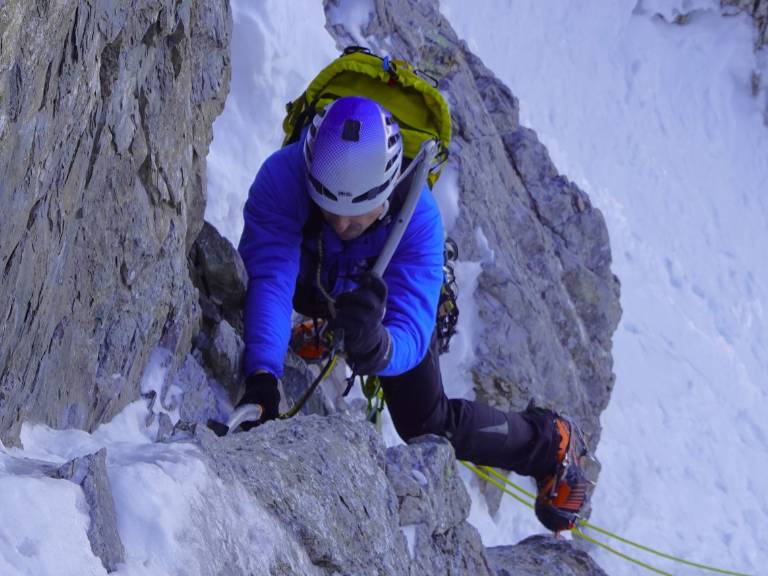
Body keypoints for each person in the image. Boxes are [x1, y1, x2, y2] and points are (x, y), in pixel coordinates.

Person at [237, 96, 587, 532]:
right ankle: (333, 329)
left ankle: (546, 442)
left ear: (384, 195)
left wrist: (376, 347)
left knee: (425, 421)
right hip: (322, 278)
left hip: (383, 309)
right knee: (258, 287)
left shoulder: (418, 221)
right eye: (329, 210)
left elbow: (412, 332)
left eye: (353, 217)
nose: (339, 224)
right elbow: (272, 274)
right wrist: (263, 377)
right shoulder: (284, 176)